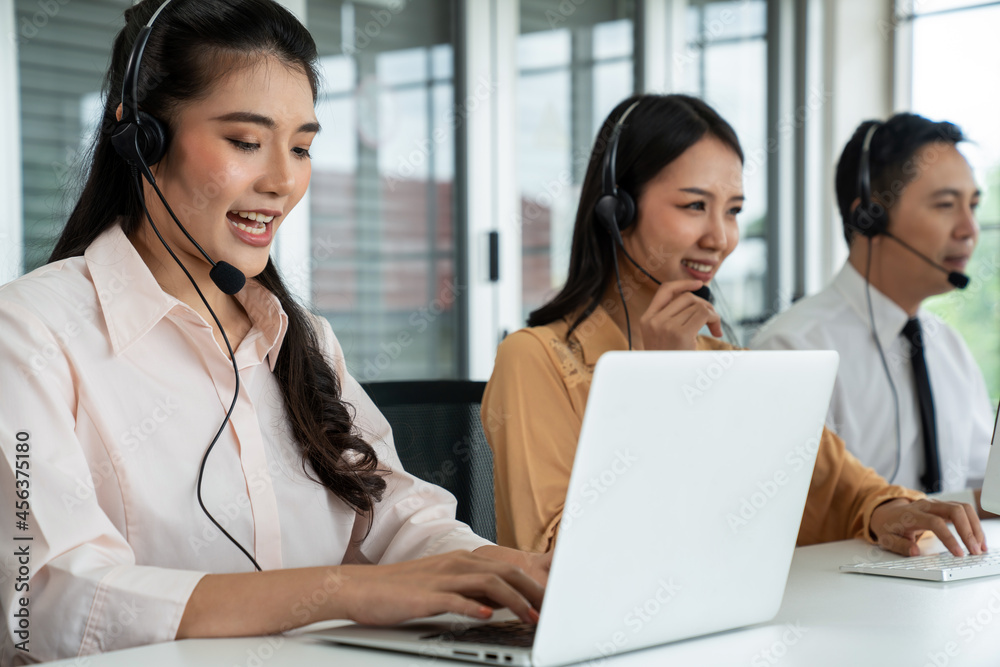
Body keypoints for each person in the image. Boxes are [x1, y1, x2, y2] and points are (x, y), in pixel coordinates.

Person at [0, 1, 547, 662]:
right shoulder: (29, 333)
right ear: (141, 138)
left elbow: (403, 515)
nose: (284, 181)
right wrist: (343, 591)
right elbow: (49, 596)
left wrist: (497, 576)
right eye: (245, 141)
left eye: (302, 147)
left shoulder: (301, 335)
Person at [481, 94, 987, 560]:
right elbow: (557, 560)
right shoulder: (536, 359)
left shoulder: (726, 363)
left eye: (735, 211)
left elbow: (842, 488)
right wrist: (662, 385)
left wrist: (886, 511)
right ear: (618, 210)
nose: (720, 238)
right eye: (694, 206)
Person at [751, 114, 993, 509]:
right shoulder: (792, 350)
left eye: (974, 206)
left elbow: (974, 488)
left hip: (950, 568)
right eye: (946, 205)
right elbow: (791, 518)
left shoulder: (948, 345)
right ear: (870, 217)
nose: (969, 229)